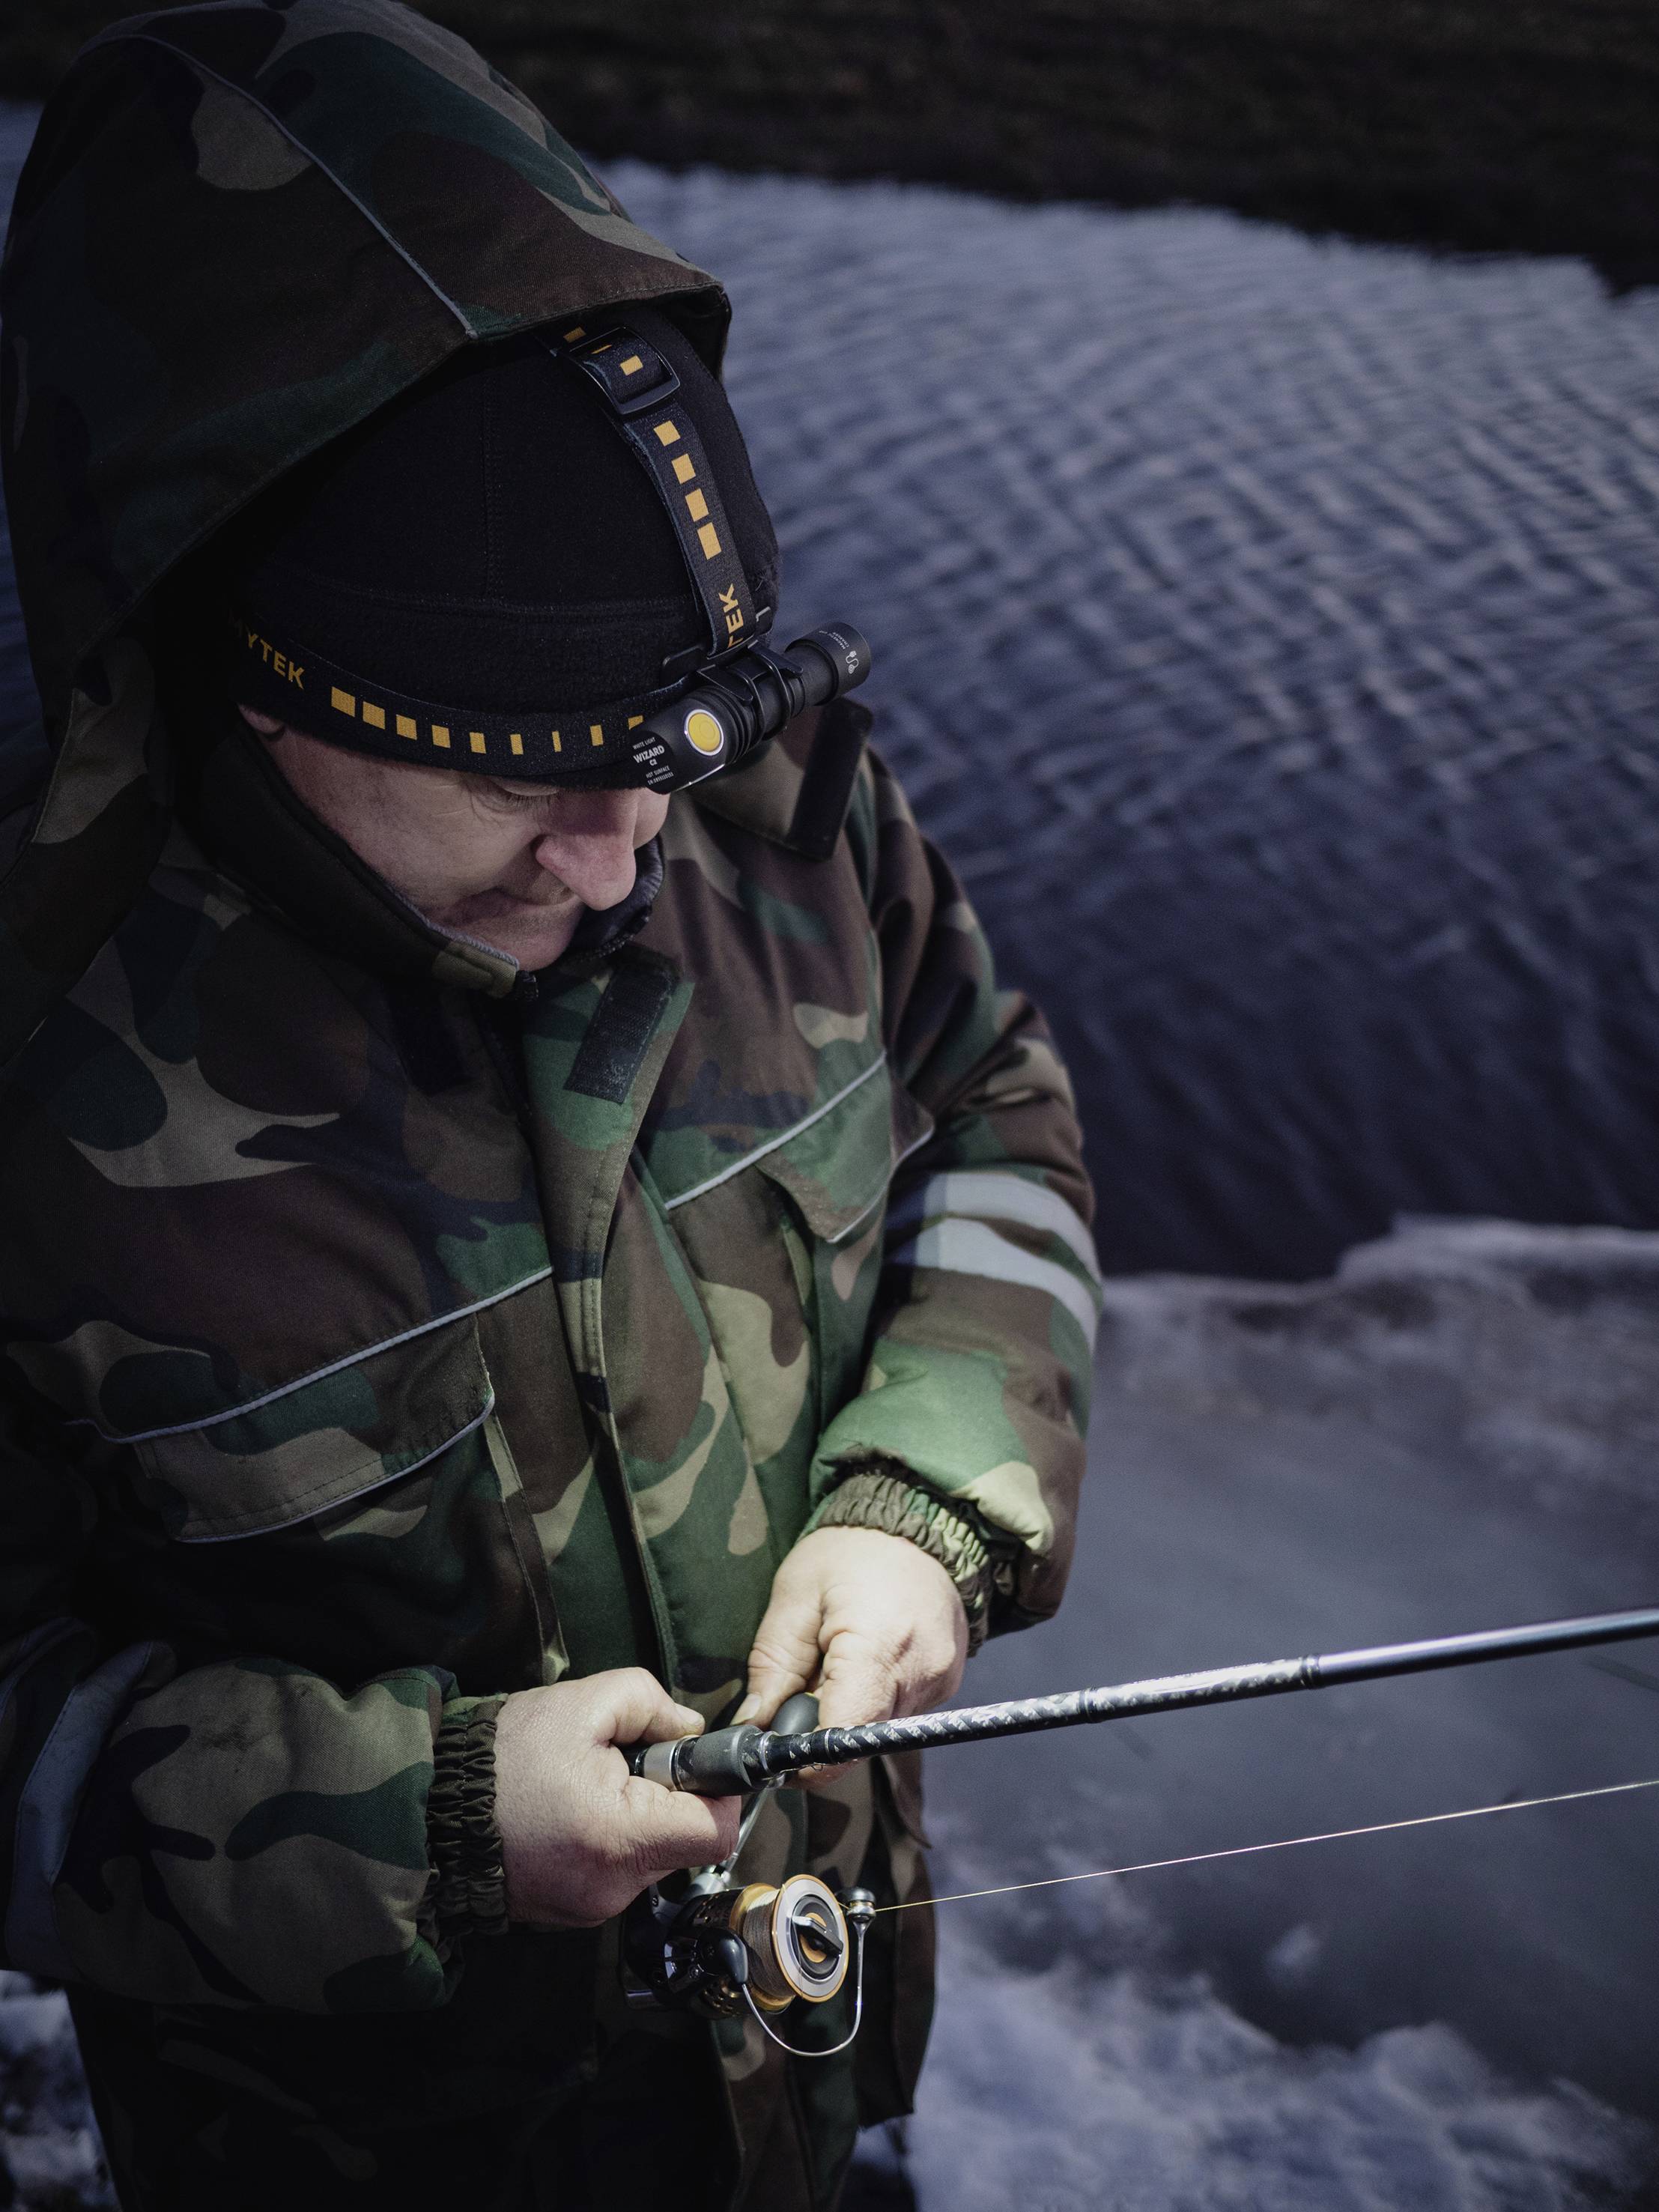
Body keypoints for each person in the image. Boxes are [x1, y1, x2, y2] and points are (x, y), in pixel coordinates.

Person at [0, 4, 1100, 2205]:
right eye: (533, 774)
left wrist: (932, 1495)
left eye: (675, 745)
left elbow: (995, 1102)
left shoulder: (777, 811)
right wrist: (420, 1813)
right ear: (246, 655)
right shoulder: (39, 1075)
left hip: (806, 2084)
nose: (626, 857)